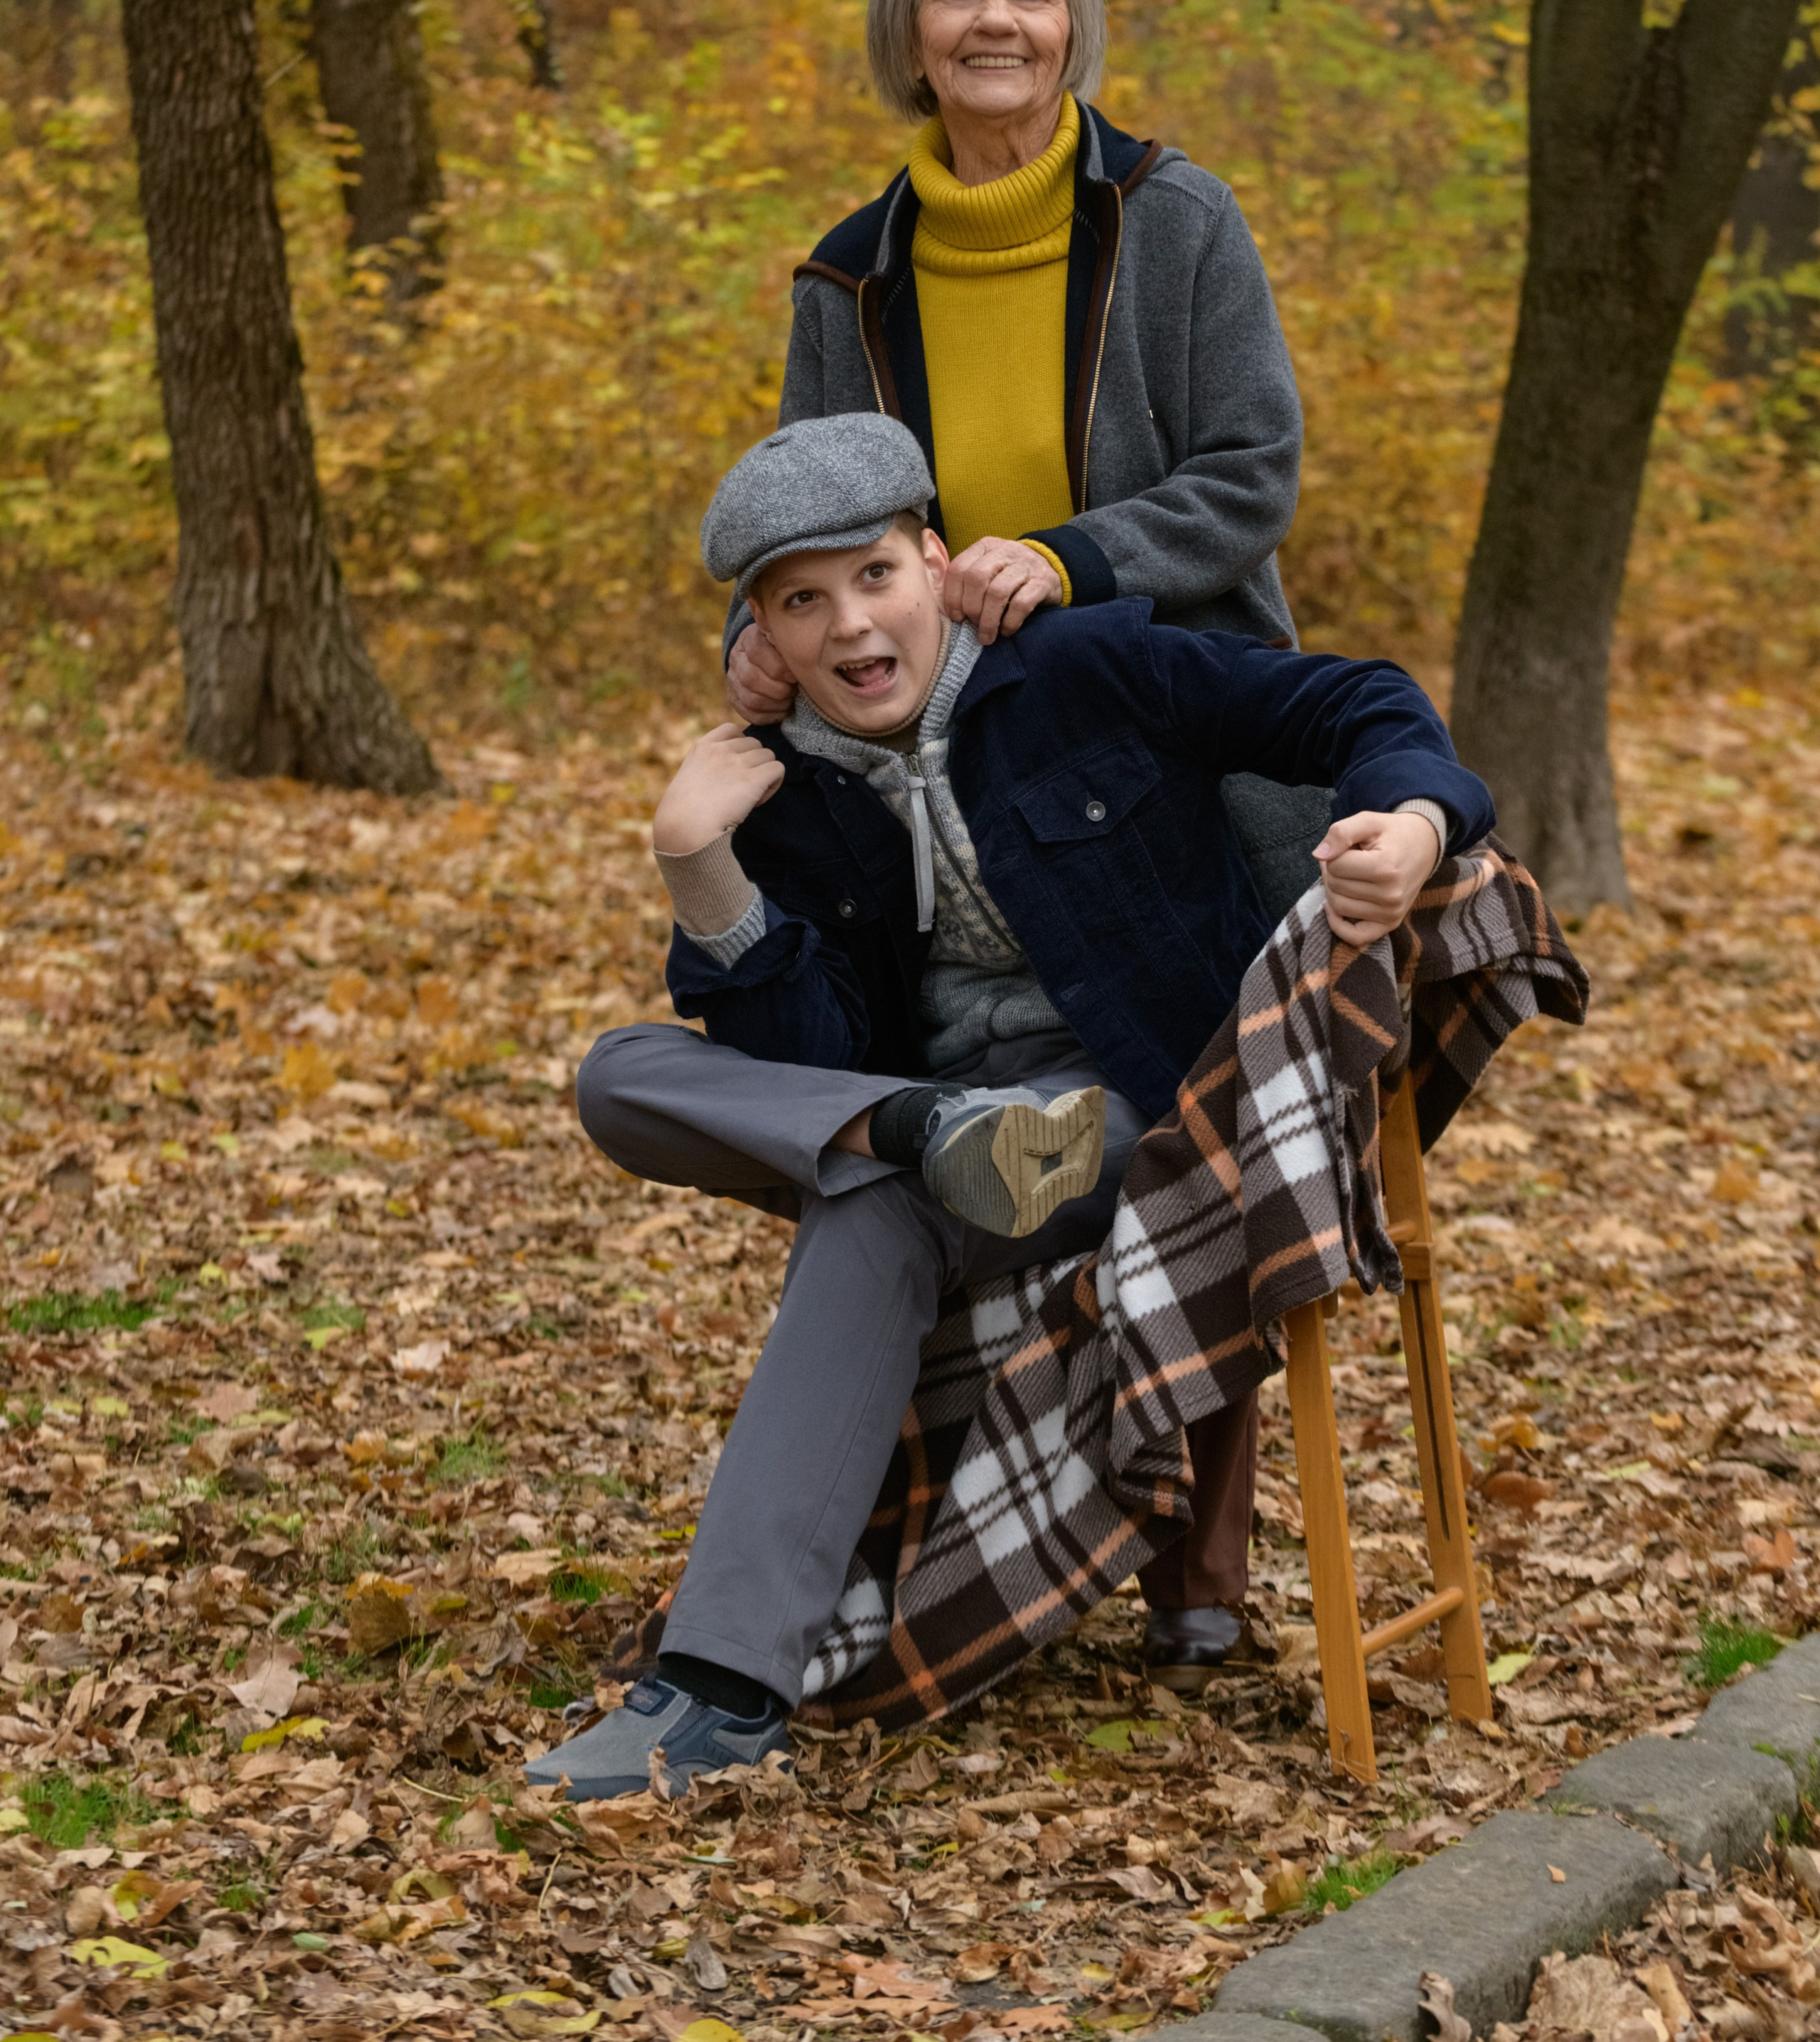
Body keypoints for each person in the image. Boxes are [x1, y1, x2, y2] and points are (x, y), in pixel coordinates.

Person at [528, 415, 1490, 1802]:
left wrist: (1409, 822)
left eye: (871, 576)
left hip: (1122, 1119)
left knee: (871, 1197)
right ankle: (928, 1147)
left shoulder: (1085, 669)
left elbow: (1356, 706)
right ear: (764, 638)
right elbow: (808, 1054)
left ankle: (721, 1690)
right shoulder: (784, 796)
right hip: (919, 1120)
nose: (850, 624)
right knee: (624, 1074)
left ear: (934, 562)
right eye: (802, 601)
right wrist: (700, 868)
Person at [724, 0, 1307, 1682]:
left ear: (1075, 29)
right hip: (927, 755)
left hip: (1155, 728)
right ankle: (934, 1520)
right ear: (911, 29)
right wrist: (768, 637)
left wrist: (1066, 554)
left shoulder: (1174, 218)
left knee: (1177, 1096)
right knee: (933, 1100)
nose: (996, 22)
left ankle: (1194, 1557)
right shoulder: (850, 267)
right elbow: (807, 507)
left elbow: (1249, 470)